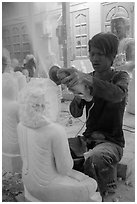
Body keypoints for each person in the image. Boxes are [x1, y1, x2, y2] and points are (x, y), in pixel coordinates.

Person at [57, 32, 130, 198]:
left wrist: (87, 80)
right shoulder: (87, 78)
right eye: (92, 53)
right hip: (87, 140)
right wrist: (77, 93)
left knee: (96, 159)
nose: (95, 58)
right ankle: (85, 175)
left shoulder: (120, 77)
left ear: (112, 56)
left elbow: (118, 95)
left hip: (111, 143)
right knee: (58, 147)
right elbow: (75, 114)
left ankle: (105, 192)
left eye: (101, 54)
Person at [17, 79, 100, 202]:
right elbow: (65, 168)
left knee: (78, 177)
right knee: (92, 184)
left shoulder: (21, 126)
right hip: (47, 188)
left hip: (28, 182)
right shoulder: (55, 131)